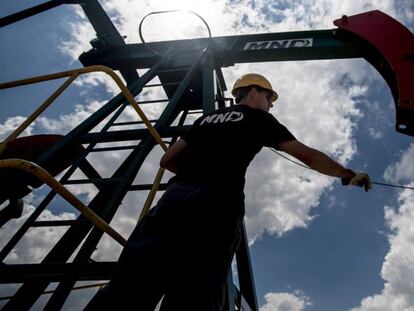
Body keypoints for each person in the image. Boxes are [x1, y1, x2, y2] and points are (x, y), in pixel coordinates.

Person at [85, 73, 371, 311]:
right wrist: (347, 174)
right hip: (216, 208)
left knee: (128, 289)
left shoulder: (205, 119)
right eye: (271, 99)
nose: (271, 106)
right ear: (256, 92)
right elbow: (306, 155)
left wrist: (193, 177)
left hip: (172, 204)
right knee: (194, 297)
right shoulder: (259, 119)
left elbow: (167, 160)